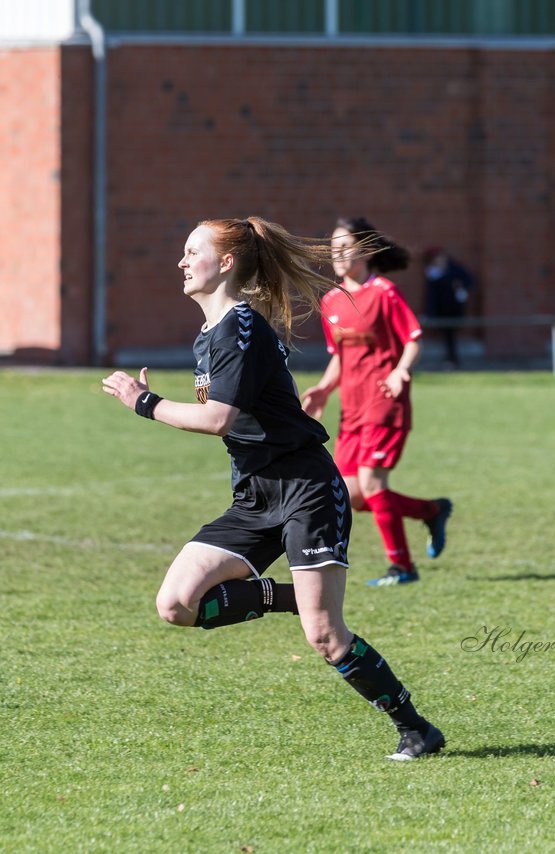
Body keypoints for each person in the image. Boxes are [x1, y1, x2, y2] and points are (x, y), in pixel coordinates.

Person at [101, 216, 444, 761]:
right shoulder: (213, 333)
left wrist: (145, 403)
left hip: (306, 488)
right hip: (255, 497)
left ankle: (416, 729)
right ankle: (288, 599)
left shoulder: (241, 327)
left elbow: (218, 418)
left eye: (194, 251)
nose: (183, 261)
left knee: (327, 638)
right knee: (176, 605)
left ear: (228, 263)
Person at [301, 218, 453, 588]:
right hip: (350, 410)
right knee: (351, 495)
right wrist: (323, 389)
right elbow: (340, 355)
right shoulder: (331, 300)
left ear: (366, 250)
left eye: (345, 246)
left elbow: (413, 338)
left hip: (384, 403)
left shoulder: (384, 292)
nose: (337, 254)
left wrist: (401, 369)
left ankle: (401, 567)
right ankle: (431, 511)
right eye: (333, 247)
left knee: (371, 482)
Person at [422, 246, 476, 369]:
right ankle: (450, 359)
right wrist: (429, 313)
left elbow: (470, 281)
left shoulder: (454, 269)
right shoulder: (433, 273)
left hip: (454, 309)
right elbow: (432, 296)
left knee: (451, 335)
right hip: (442, 310)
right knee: (446, 335)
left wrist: (460, 286)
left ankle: (452, 359)